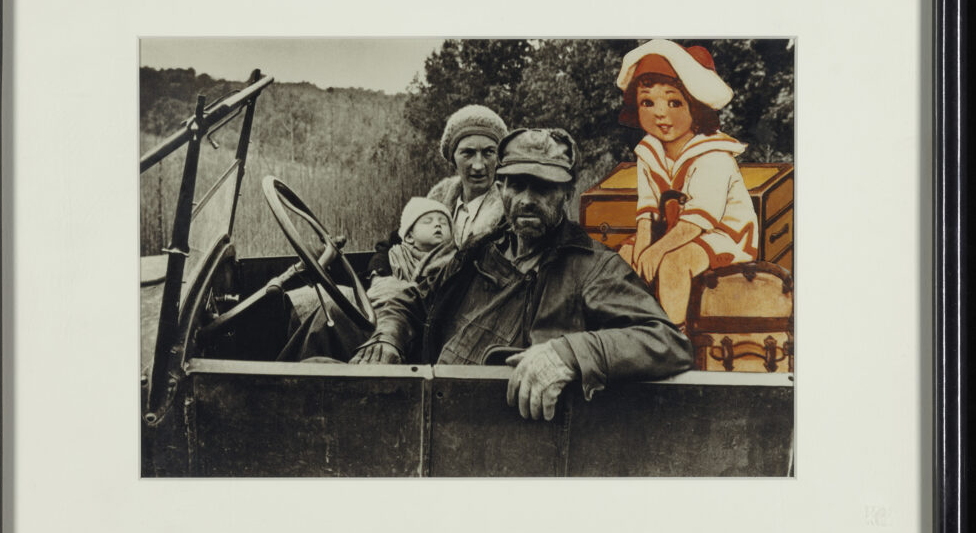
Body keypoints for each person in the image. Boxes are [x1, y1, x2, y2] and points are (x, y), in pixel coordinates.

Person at [351, 128, 693, 421]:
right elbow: (417, 301)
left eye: (543, 188)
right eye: (517, 186)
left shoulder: (591, 267)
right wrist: (388, 335)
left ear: (566, 194)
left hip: (499, 425)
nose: (527, 200)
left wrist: (569, 353)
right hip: (432, 403)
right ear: (501, 189)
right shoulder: (478, 251)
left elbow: (667, 342)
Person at [614, 39, 758, 327]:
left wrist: (656, 250)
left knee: (673, 263)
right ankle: (631, 331)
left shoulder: (714, 155)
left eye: (674, 102)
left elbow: (698, 220)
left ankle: (672, 339)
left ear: (697, 107)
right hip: (671, 231)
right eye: (647, 102)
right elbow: (647, 211)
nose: (660, 112)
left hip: (723, 235)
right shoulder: (649, 151)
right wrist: (642, 246)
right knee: (623, 257)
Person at [284, 198, 453, 360]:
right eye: (428, 221)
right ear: (409, 237)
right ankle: (291, 372)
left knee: (332, 312)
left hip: (411, 330)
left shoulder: (452, 262)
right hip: (376, 311)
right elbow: (364, 282)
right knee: (309, 299)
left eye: (443, 222)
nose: (437, 224)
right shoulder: (393, 256)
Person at [426, 105, 507, 248]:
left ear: (499, 158)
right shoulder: (437, 201)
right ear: (453, 159)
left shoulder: (510, 211)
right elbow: (400, 238)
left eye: (488, 152)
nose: (478, 166)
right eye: (468, 153)